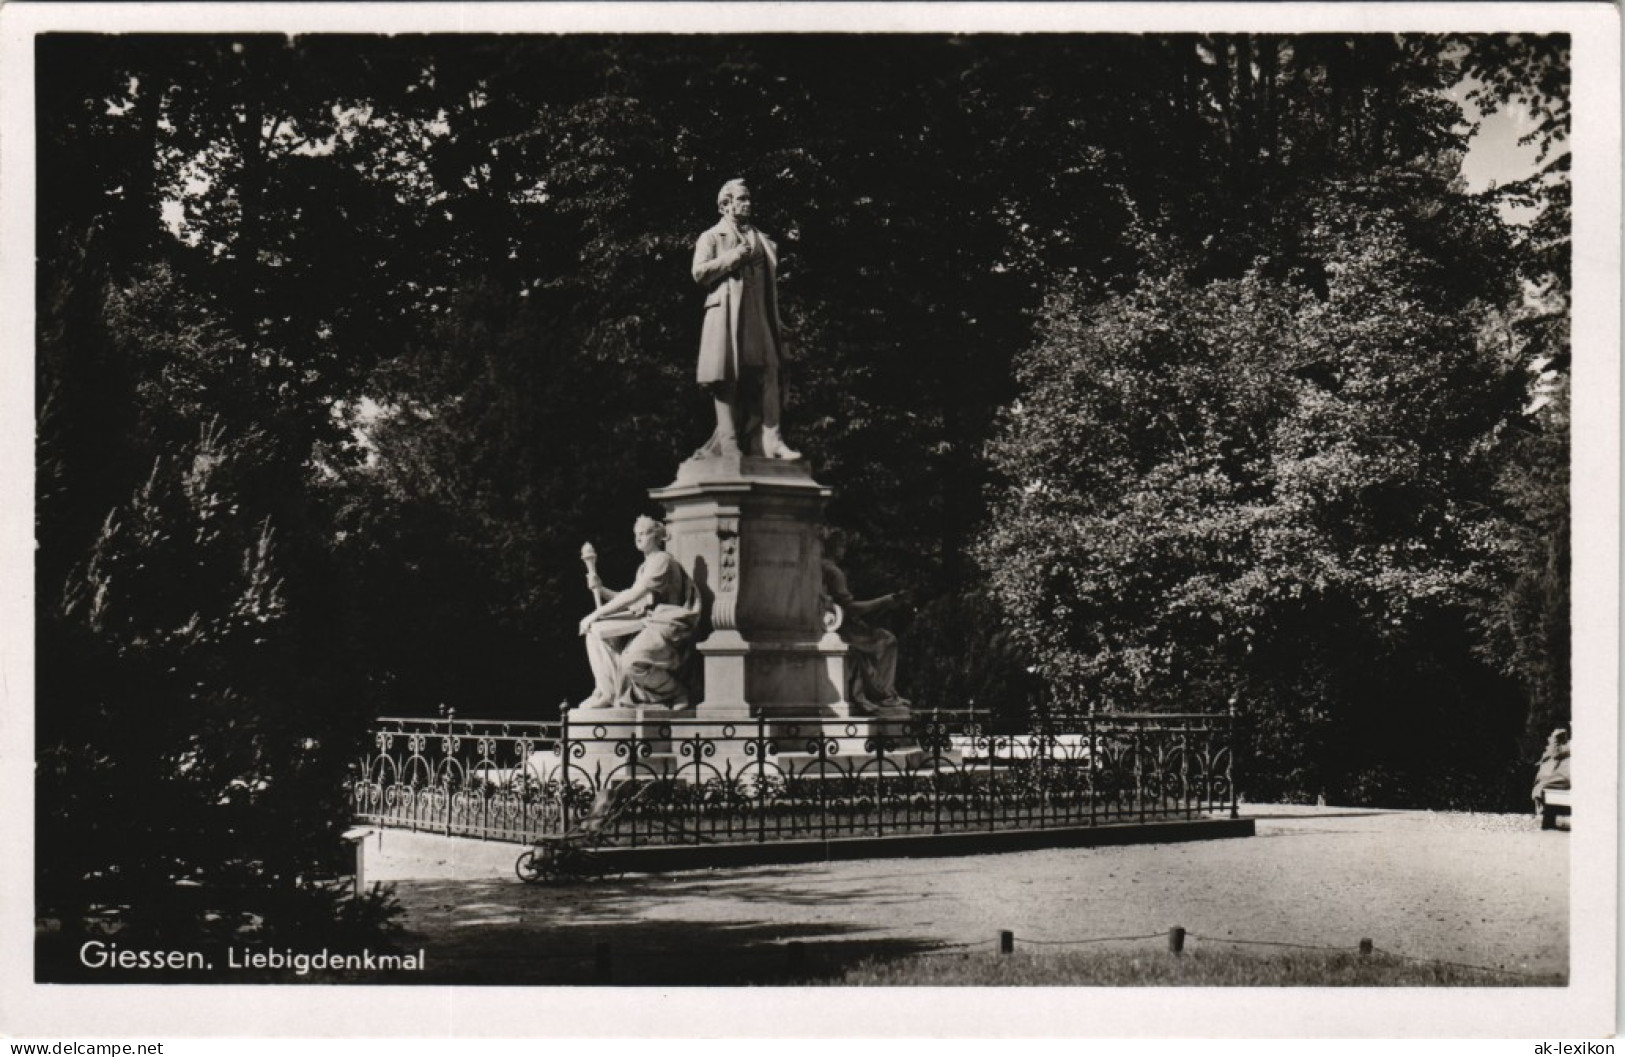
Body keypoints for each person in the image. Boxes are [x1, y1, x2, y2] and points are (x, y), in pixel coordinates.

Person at [691, 179, 800, 461]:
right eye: (741, 199)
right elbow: (699, 273)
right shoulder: (711, 237)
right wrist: (732, 258)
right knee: (726, 375)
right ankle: (728, 442)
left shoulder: (763, 240)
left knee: (770, 370)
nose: (748, 204)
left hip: (759, 314)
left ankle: (771, 440)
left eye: (749, 199)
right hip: (726, 312)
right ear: (726, 204)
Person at [577, 516, 701, 709]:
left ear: (659, 536)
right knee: (593, 631)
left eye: (645, 533)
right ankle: (607, 691)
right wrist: (601, 590)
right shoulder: (645, 566)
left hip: (667, 624)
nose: (639, 537)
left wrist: (597, 612)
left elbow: (634, 594)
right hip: (649, 620)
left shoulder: (662, 560)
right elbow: (634, 601)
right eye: (637, 534)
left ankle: (677, 692)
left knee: (633, 661)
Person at [820, 528, 910, 716]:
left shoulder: (820, 567)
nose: (844, 550)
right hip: (842, 628)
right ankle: (884, 695)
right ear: (835, 547)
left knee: (882, 638)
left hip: (835, 624)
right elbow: (850, 607)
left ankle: (883, 692)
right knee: (887, 640)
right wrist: (883, 601)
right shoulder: (832, 571)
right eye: (842, 546)